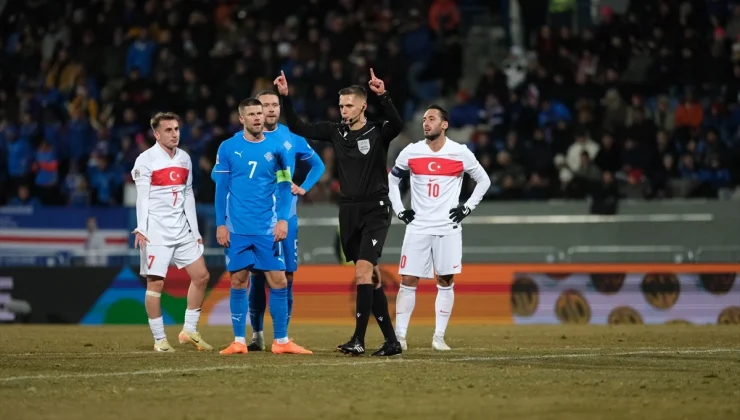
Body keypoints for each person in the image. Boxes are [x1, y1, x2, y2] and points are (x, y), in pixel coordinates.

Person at [274, 69, 403, 356]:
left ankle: (358, 339)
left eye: (348, 105)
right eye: (341, 105)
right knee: (371, 277)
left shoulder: (379, 130)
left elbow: (397, 122)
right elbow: (299, 127)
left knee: (362, 272)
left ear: (362, 106)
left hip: (376, 208)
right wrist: (286, 98)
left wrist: (384, 95)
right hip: (348, 211)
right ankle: (392, 342)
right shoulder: (336, 131)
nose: (343, 110)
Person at [212, 98, 312, 355]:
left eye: (260, 113)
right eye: (252, 114)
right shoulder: (228, 148)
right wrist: (220, 224)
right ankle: (238, 341)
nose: (258, 117)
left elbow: (284, 186)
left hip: (267, 227)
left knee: (279, 281)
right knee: (238, 280)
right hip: (238, 228)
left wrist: (281, 219)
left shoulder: (278, 148)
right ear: (241, 119)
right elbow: (221, 188)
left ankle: (281, 341)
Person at [387, 105, 491, 351]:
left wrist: (466, 208)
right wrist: (400, 210)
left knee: (445, 280)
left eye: (431, 119)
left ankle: (439, 337)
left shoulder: (460, 152)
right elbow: (392, 179)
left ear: (444, 124)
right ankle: (400, 337)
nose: (426, 123)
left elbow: (484, 180)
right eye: (424, 119)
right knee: (408, 279)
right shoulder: (411, 152)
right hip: (418, 226)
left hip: (448, 227)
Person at [246, 89, 326, 351]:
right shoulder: (247, 139)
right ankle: (257, 335)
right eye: (265, 105)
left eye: (274, 105)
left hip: (286, 217)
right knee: (257, 275)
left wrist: (303, 187)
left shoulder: (292, 137)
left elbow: (319, 166)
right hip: (256, 218)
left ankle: (283, 334)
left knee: (288, 276)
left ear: (280, 109)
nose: (270, 109)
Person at [131, 112, 213, 352]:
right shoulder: (145, 160)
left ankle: (189, 330)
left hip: (182, 230)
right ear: (156, 134)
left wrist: (195, 230)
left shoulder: (185, 158)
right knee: (155, 285)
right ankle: (160, 340)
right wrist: (141, 228)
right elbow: (142, 198)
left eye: (176, 129)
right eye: (168, 130)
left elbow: (187, 194)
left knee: (201, 276)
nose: (174, 134)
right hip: (156, 231)